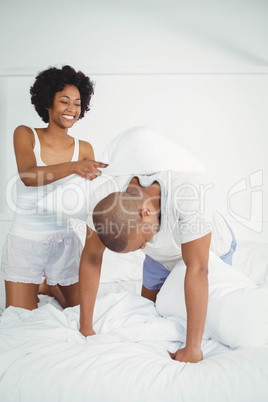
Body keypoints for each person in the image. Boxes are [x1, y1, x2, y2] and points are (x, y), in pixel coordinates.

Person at [78, 168, 236, 364]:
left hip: (210, 251)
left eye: (142, 241)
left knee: (212, 320)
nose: (144, 246)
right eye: (138, 247)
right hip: (160, 257)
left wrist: (192, 348)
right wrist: (85, 326)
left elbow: (197, 269)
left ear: (145, 213)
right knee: (151, 310)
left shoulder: (186, 195)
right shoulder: (103, 201)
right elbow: (92, 257)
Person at [1, 65, 107, 310]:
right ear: (48, 102)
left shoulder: (85, 149)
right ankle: (44, 284)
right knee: (19, 320)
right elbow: (28, 175)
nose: (72, 109)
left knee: (79, 310)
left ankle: (50, 286)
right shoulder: (25, 134)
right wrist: (73, 167)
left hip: (65, 243)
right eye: (64, 101)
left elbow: (89, 198)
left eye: (77, 103)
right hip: (25, 241)